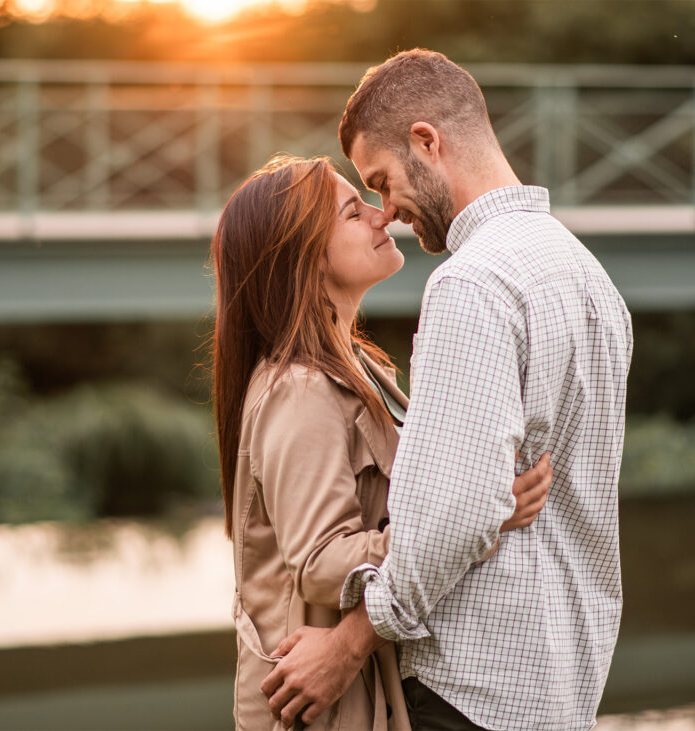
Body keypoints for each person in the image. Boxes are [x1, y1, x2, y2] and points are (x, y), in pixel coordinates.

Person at [261, 50, 634, 731]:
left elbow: (454, 510)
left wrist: (346, 645)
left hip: (473, 693)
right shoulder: (590, 279)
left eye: (381, 180)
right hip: (567, 685)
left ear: (427, 142)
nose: (386, 210)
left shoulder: (473, 284)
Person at [210, 154, 553, 730]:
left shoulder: (361, 366)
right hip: (317, 710)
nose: (382, 214)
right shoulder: (300, 388)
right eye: (353, 210)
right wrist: (475, 517)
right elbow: (322, 563)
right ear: (304, 258)